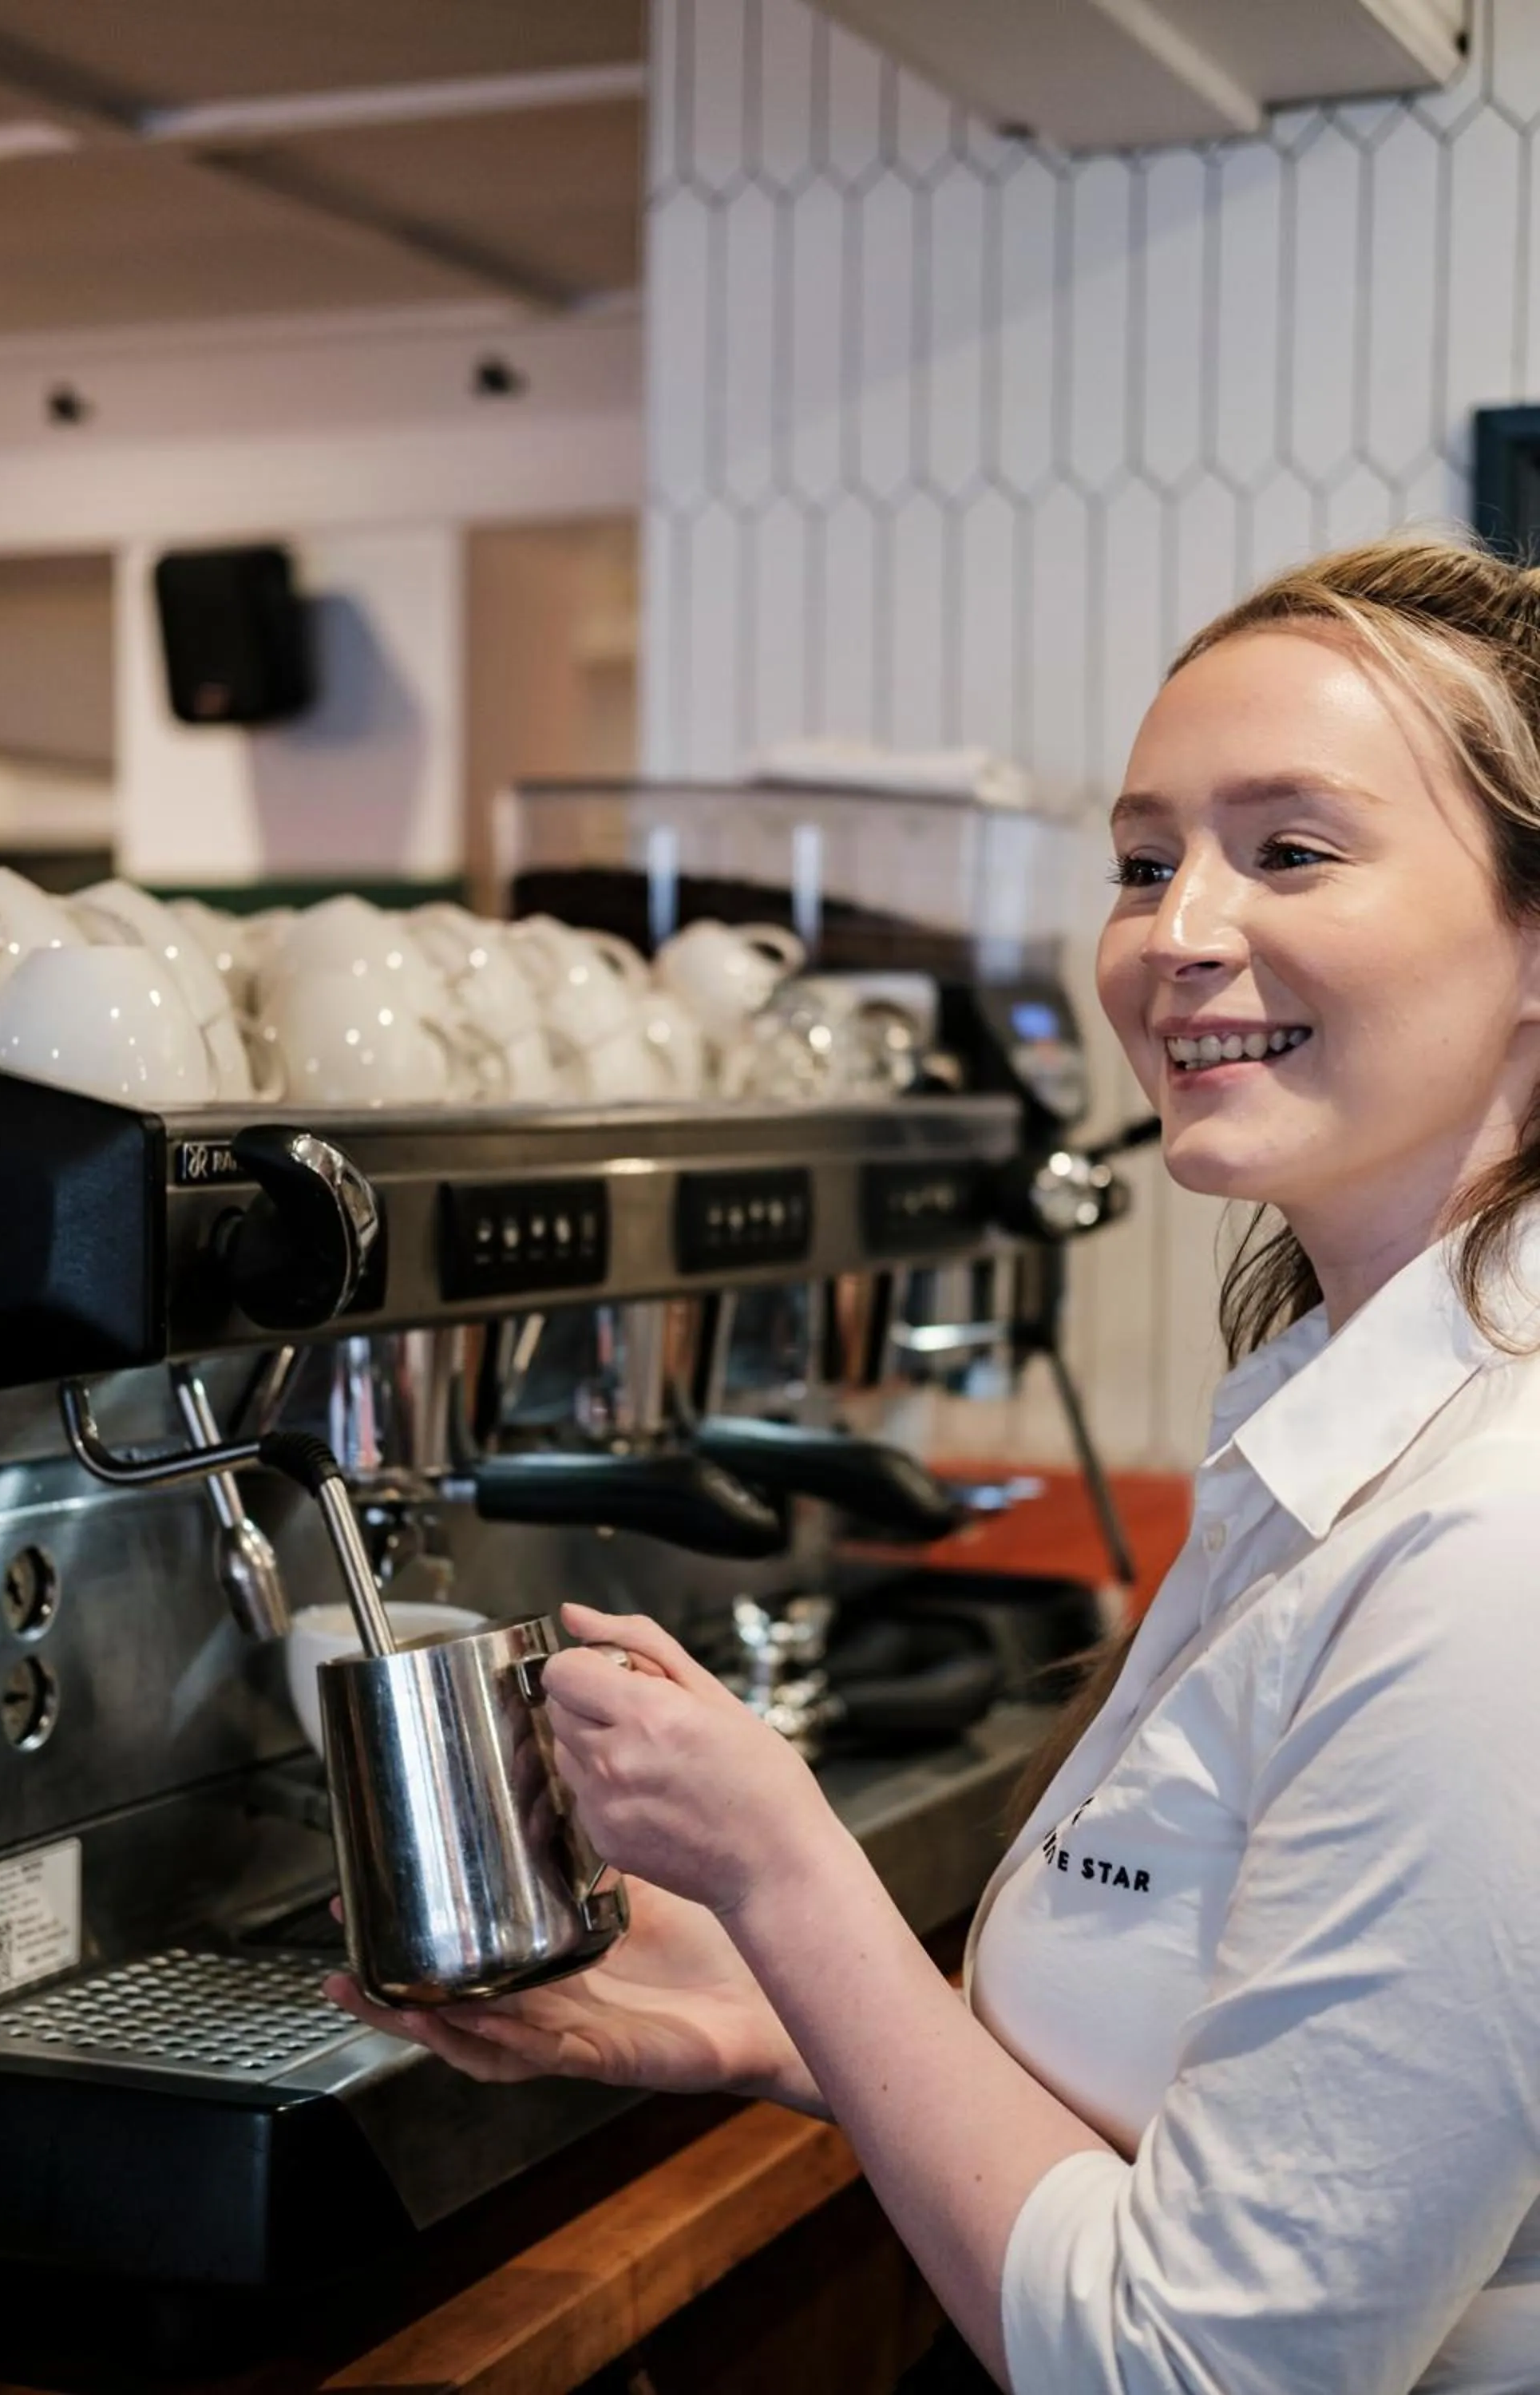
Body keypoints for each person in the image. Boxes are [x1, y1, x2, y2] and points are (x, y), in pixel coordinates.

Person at [328, 532, 1540, 2394]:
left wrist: (788, 1869)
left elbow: (1200, 2372)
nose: (1175, 935)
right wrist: (777, 2003)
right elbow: (1203, 2117)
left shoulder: (1493, 1544)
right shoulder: (1334, 1427)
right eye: (1145, 863)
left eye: (1288, 850)